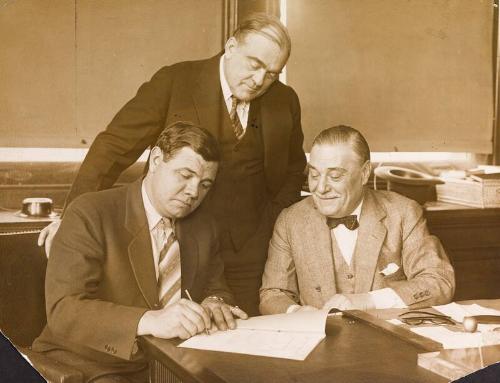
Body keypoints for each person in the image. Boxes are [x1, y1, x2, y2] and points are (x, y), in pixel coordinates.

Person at [38, 13, 306, 316]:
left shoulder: (285, 100)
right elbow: (113, 147)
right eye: (254, 64)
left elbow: (294, 171)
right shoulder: (175, 81)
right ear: (231, 47)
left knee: (238, 342)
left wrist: (271, 222)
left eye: (272, 73)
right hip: (183, 247)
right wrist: (70, 214)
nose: (260, 80)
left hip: (252, 252)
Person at [32, 122, 248, 382]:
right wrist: (150, 320)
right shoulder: (90, 212)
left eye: (205, 184)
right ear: (156, 160)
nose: (193, 192)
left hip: (168, 365)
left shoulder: (203, 225)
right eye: (185, 175)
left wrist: (215, 303)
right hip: (88, 364)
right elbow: (65, 310)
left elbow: (217, 287)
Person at [259, 125, 455, 315]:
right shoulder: (291, 221)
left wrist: (368, 301)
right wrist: (296, 312)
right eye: (314, 174)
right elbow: (272, 293)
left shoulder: (403, 213)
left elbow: (439, 282)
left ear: (363, 174)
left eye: (335, 176)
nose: (320, 188)